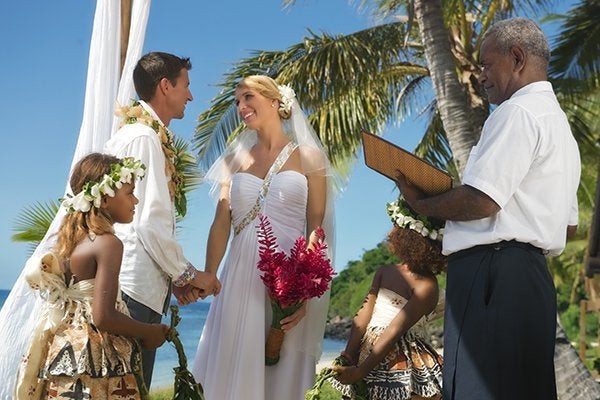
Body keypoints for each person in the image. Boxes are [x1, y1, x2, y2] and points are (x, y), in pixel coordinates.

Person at [395, 18, 581, 400]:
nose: (480, 75)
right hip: (531, 280)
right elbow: (568, 228)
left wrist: (420, 203)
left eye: (485, 64)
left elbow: (482, 199)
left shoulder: (517, 114)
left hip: (491, 275)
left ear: (516, 58)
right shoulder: (560, 128)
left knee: (478, 389)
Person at [191, 75, 337, 399]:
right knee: (233, 367)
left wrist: (305, 292)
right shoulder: (233, 162)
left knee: (279, 375)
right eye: (237, 102)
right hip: (240, 276)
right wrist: (211, 273)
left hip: (287, 276)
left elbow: (316, 225)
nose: (241, 107)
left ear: (274, 100)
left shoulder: (310, 157)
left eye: (248, 97)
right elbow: (220, 223)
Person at [104, 51, 219, 390]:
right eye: (186, 85)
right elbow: (147, 222)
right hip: (133, 289)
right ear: (166, 86)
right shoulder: (142, 137)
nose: (190, 95)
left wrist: (176, 281)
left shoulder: (141, 135)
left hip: (138, 286)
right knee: (126, 390)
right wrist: (191, 274)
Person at [14, 153, 169, 399]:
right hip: (96, 355)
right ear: (105, 199)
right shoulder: (108, 244)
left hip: (64, 349)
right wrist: (148, 331)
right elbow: (103, 316)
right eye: (129, 192)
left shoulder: (67, 243)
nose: (136, 200)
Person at [329, 197, 444, 400]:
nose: (390, 233)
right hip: (368, 350)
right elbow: (364, 315)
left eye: (396, 228)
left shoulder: (427, 286)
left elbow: (395, 329)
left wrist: (361, 371)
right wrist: (348, 354)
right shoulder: (385, 271)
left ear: (412, 237)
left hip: (400, 356)